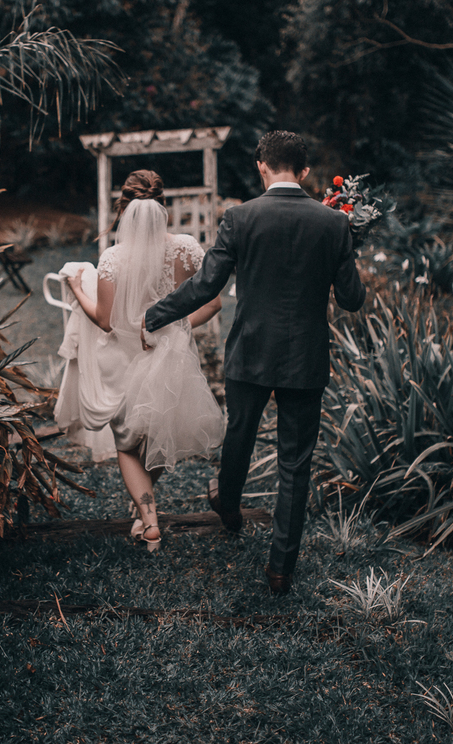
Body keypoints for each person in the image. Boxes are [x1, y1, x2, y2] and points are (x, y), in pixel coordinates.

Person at [142, 131, 366, 593]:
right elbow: (351, 298)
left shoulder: (240, 217)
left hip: (251, 351)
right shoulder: (333, 224)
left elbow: (206, 286)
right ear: (305, 171)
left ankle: (227, 504)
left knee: (239, 437)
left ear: (262, 166)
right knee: (295, 464)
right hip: (305, 357)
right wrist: (347, 247)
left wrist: (154, 314)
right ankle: (281, 569)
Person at [56, 169, 224, 551]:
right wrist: (177, 328)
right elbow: (212, 302)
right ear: (163, 206)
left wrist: (76, 287)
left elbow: (104, 320)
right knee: (163, 429)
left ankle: (149, 522)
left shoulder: (113, 258)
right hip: (172, 356)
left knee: (129, 445)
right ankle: (144, 514)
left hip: (125, 361)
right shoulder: (187, 248)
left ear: (123, 209)